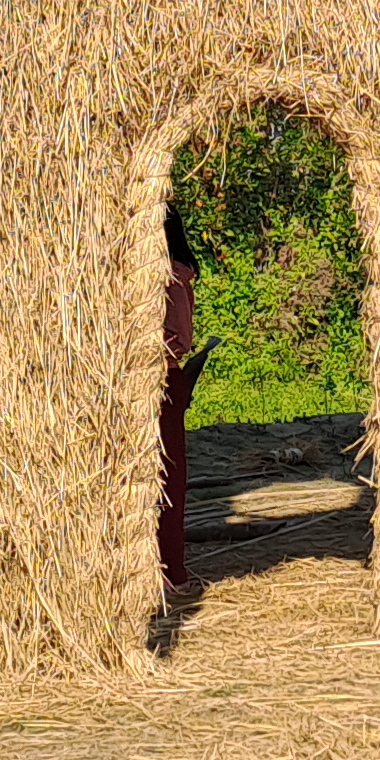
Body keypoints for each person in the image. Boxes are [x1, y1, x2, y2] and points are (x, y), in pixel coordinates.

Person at [159, 205, 203, 590]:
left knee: (168, 478)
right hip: (146, 387)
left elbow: (180, 340)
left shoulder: (173, 278)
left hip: (163, 387)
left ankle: (171, 572)